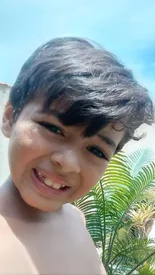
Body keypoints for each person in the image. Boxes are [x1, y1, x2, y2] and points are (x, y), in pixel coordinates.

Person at [0, 37, 154, 275]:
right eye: (53, 129)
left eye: (96, 150)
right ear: (10, 117)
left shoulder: (76, 220)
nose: (68, 163)